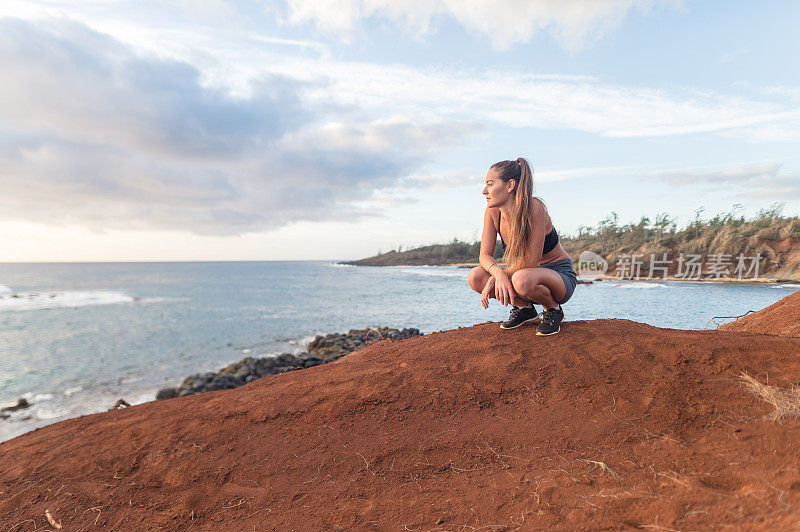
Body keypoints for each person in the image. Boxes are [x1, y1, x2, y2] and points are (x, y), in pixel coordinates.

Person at [466, 157, 577, 335]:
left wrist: (497, 278)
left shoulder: (534, 207)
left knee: (522, 279)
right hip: (521, 272)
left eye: (490, 184)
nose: (484, 191)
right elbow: (484, 256)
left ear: (510, 186)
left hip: (557, 275)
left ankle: (553, 309)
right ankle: (524, 309)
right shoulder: (493, 213)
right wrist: (497, 273)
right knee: (475, 276)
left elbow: (532, 263)